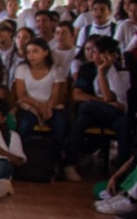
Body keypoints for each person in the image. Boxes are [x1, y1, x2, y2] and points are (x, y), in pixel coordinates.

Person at [66, 35, 129, 181]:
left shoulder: (120, 72)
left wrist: (102, 71)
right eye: (94, 52)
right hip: (95, 112)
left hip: (115, 114)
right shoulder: (86, 69)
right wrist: (101, 102)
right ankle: (69, 165)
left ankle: (121, 172)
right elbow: (77, 95)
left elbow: (113, 100)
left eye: (101, 53)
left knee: (124, 125)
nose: (96, 56)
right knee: (83, 116)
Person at [13, 37, 68, 173]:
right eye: (28, 52)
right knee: (24, 125)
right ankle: (23, 159)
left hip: (50, 106)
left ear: (45, 52)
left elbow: (56, 96)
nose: (31, 55)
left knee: (60, 125)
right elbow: (22, 95)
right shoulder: (22, 69)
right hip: (29, 105)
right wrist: (38, 106)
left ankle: (56, 160)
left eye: (35, 51)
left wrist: (47, 107)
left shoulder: (56, 70)